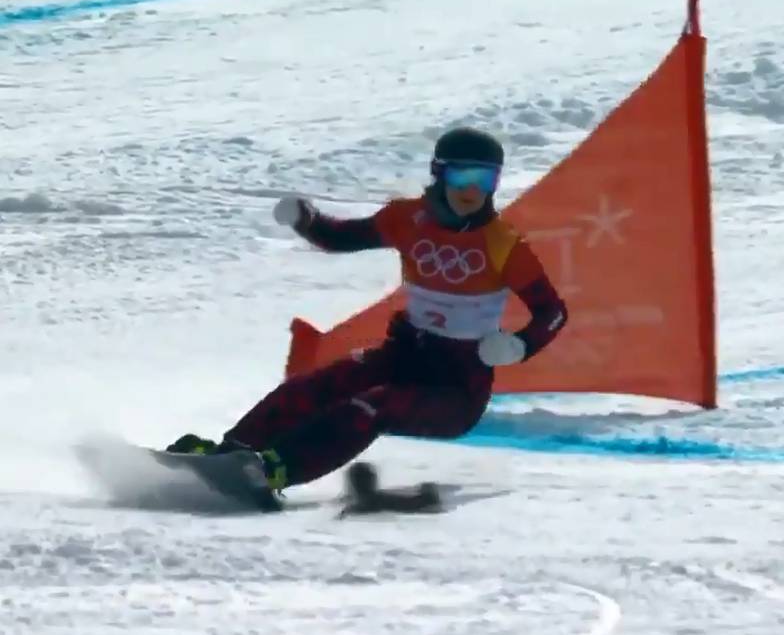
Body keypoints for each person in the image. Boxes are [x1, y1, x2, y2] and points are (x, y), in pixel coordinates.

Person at [166, 127, 569, 506]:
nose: (471, 190)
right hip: (405, 354)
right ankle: (230, 454)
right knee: (317, 387)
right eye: (462, 175)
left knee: (372, 406)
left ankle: (275, 471)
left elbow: (552, 312)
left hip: (456, 387)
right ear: (439, 174)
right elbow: (343, 237)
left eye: (485, 180)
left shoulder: (502, 245)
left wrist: (519, 345)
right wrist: (307, 221)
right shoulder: (408, 219)